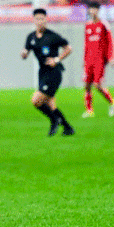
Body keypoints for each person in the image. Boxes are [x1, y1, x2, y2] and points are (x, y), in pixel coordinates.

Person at [20, 8, 74, 136]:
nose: (40, 21)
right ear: (34, 20)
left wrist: (57, 59)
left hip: (54, 72)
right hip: (42, 73)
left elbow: (68, 48)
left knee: (36, 100)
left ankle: (54, 120)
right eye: (37, 19)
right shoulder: (31, 37)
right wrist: (24, 54)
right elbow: (26, 51)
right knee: (51, 105)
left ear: (46, 20)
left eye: (42, 19)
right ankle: (68, 128)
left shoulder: (52, 36)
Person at [82, 3, 114, 118]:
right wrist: (84, 59)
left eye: (95, 9)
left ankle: (112, 102)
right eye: (91, 9)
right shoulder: (87, 25)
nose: (93, 11)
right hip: (89, 60)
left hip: (100, 59)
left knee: (97, 85)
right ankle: (89, 110)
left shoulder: (103, 24)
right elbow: (86, 44)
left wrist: (111, 57)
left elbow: (110, 42)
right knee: (87, 85)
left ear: (98, 10)